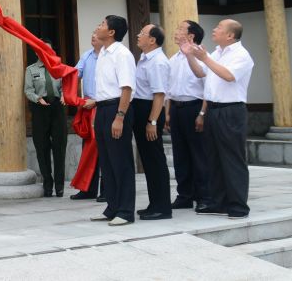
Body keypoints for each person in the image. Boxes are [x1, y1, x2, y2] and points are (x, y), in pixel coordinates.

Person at [192, 19, 254, 219]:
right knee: (214, 157)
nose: (214, 29)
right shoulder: (218, 52)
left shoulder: (241, 55)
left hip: (231, 110)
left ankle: (238, 206)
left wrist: (205, 57)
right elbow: (201, 72)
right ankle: (218, 202)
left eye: (219, 27)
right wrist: (190, 56)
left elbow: (228, 76)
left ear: (230, 35)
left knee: (232, 158)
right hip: (213, 109)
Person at [89, 15, 136, 226]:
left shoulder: (122, 54)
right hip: (102, 108)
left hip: (117, 108)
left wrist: (120, 117)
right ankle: (112, 206)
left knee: (121, 161)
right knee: (107, 161)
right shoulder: (103, 54)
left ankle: (125, 211)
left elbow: (126, 88)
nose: (98, 26)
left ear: (111, 32)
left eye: (102, 24)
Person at [166, 19, 211, 212]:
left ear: (191, 36)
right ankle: (184, 195)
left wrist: (202, 113)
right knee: (180, 155)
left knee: (199, 155)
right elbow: (169, 89)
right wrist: (167, 113)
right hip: (176, 109)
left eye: (180, 29)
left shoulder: (203, 56)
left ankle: (204, 196)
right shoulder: (174, 58)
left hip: (194, 108)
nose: (175, 32)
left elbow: (208, 87)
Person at [131, 24, 171, 220]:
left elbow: (159, 94)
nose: (138, 36)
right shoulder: (145, 58)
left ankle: (162, 207)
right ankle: (154, 203)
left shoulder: (158, 62)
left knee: (155, 160)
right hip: (141, 108)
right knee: (148, 160)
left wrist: (152, 121)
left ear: (152, 40)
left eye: (142, 33)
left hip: (150, 111)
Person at [24, 44, 67, 197]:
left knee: (59, 147)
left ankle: (60, 185)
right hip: (40, 108)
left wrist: (64, 95)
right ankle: (47, 184)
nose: (46, 51)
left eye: (49, 48)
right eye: (42, 48)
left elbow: (65, 86)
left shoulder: (58, 67)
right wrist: (37, 99)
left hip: (57, 108)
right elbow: (28, 90)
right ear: (36, 51)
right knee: (42, 148)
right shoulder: (31, 69)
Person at [71, 32, 103, 200]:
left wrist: (97, 101)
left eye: (97, 35)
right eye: (91, 35)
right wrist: (67, 91)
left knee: (105, 150)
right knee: (88, 150)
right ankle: (87, 189)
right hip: (88, 107)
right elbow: (75, 74)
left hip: (103, 106)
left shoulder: (108, 56)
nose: (93, 37)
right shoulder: (86, 55)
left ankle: (106, 191)